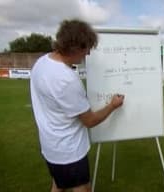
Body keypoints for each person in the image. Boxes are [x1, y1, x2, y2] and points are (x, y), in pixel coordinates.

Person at [30, 19, 125, 192]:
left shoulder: (42, 62)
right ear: (75, 48)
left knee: (59, 184)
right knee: (82, 188)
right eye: (86, 48)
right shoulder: (66, 80)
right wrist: (112, 105)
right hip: (69, 151)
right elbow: (89, 120)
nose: (88, 54)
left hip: (51, 146)